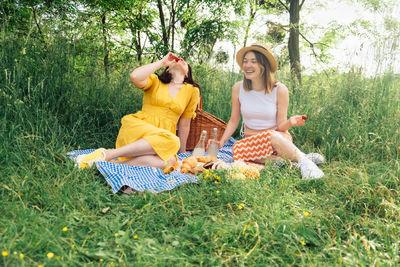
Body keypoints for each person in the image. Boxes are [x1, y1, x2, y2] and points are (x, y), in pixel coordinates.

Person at [75, 52, 200, 173]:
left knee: (170, 160)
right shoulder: (155, 81)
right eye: (175, 61)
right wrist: (162, 62)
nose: (181, 60)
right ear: (167, 69)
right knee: (173, 141)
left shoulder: (192, 91)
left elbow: (185, 123)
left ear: (188, 73)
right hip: (139, 128)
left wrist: (182, 152)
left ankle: (104, 163)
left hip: (164, 139)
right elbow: (135, 76)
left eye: (185, 62)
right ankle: (110, 154)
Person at [217, 42, 324, 179]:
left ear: (264, 65)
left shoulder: (280, 90)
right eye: (245, 61)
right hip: (252, 144)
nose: (247, 65)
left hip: (277, 140)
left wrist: (290, 122)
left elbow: (280, 126)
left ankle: (304, 163)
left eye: (253, 61)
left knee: (272, 135)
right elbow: (233, 120)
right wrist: (221, 142)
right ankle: (298, 159)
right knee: (237, 149)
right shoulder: (238, 88)